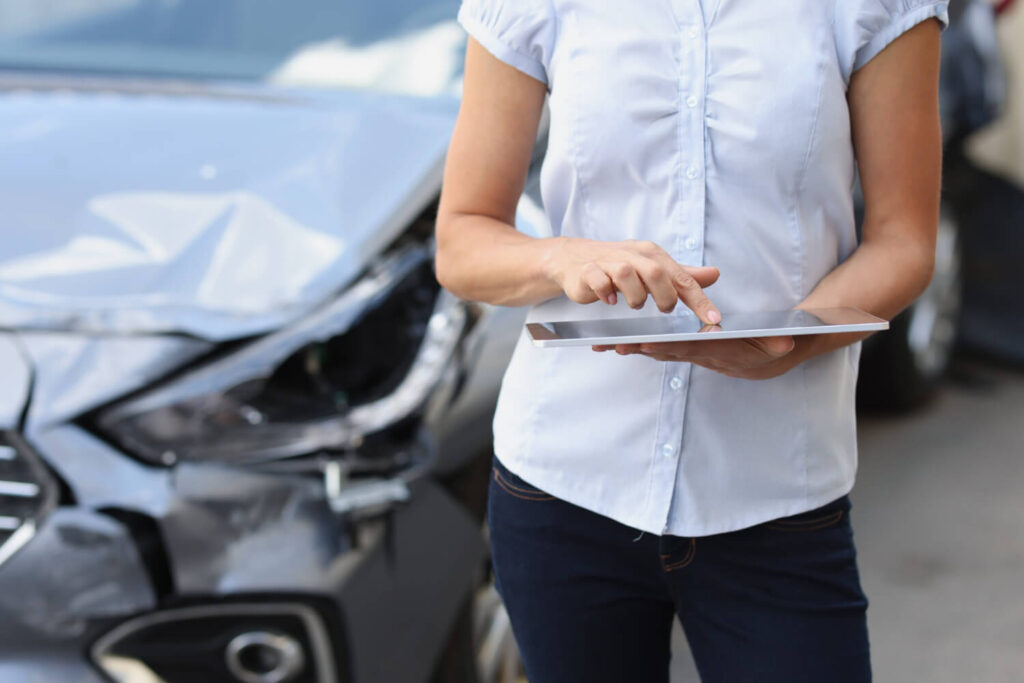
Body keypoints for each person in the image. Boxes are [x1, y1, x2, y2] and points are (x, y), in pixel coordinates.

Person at [435, 0, 947, 680]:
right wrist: (563, 258)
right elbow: (462, 241)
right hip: (564, 488)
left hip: (774, 494)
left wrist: (792, 342)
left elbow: (904, 242)